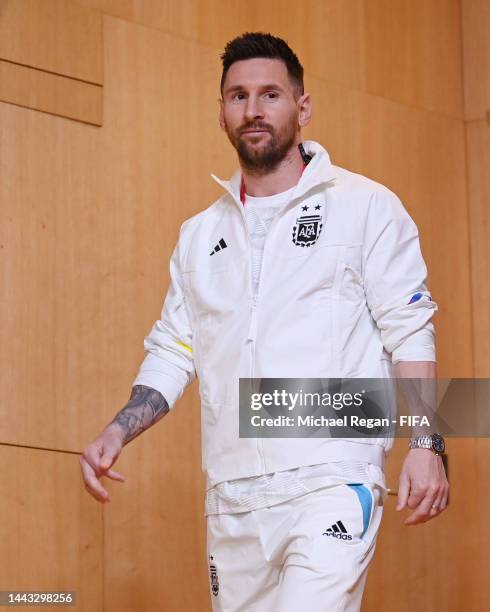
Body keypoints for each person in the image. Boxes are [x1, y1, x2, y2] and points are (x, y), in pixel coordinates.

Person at [80, 32, 449, 612]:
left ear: (301, 107)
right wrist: (117, 429)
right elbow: (176, 348)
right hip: (231, 498)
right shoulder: (199, 235)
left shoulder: (366, 205)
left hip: (332, 476)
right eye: (238, 96)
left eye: (270, 94)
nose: (253, 109)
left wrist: (426, 443)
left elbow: (409, 329)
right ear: (221, 113)